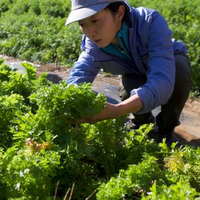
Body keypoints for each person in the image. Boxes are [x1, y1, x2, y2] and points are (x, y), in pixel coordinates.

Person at [65, 0, 191, 142]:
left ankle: (166, 128)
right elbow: (80, 74)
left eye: (95, 20)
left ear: (119, 13)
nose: (90, 32)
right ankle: (142, 124)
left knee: (179, 68)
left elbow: (162, 82)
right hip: (134, 73)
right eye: (82, 24)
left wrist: (117, 110)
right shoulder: (92, 44)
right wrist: (68, 105)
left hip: (167, 66)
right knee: (129, 91)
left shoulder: (150, 22)